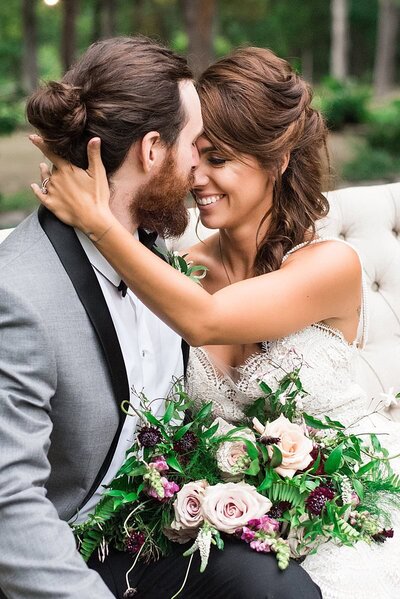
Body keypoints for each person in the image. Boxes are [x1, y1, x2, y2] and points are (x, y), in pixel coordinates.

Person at [31, 46, 400, 599]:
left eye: (220, 159)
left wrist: (97, 219)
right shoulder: (177, 273)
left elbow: (205, 321)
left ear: (276, 160)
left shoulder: (330, 265)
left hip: (353, 513)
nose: (197, 177)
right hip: (239, 529)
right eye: (193, 154)